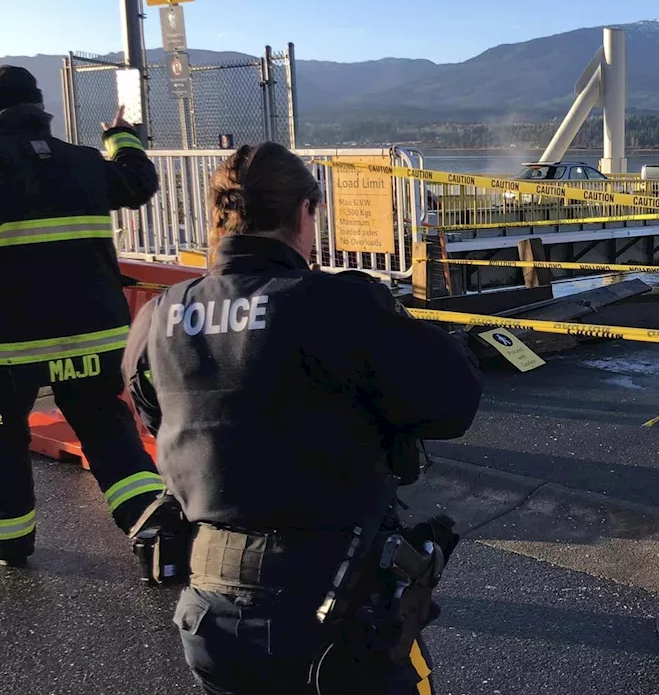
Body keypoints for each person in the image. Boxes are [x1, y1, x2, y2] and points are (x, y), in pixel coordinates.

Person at [121, 141, 483, 694]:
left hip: (208, 608)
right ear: (304, 213)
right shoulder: (331, 304)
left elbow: (154, 413)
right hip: (330, 607)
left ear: (219, 217)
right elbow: (453, 402)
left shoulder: (161, 313)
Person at [0, 65, 165, 566]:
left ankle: (12, 541)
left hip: (13, 344)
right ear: (39, 108)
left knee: (6, 433)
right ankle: (152, 527)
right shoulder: (85, 162)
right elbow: (139, 182)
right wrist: (121, 137)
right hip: (96, 334)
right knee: (105, 426)